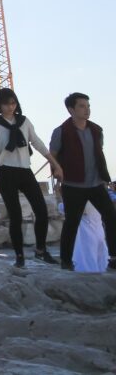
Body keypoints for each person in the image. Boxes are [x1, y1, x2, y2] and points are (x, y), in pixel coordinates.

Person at [0, 88, 63, 266]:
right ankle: (19, 256)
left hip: (24, 170)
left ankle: (40, 250)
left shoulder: (24, 121)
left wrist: (55, 164)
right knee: (16, 215)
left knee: (41, 211)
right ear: (0, 104)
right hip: (6, 172)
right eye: (6, 103)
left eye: (13, 103)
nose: (10, 107)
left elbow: (37, 143)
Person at [50, 92, 116, 271]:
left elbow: (98, 154)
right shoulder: (61, 131)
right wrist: (57, 174)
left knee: (111, 216)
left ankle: (114, 257)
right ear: (71, 109)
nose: (87, 109)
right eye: (82, 106)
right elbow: (53, 155)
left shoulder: (96, 130)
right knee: (72, 222)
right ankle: (66, 261)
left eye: (88, 105)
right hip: (73, 184)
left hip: (96, 184)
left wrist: (105, 178)